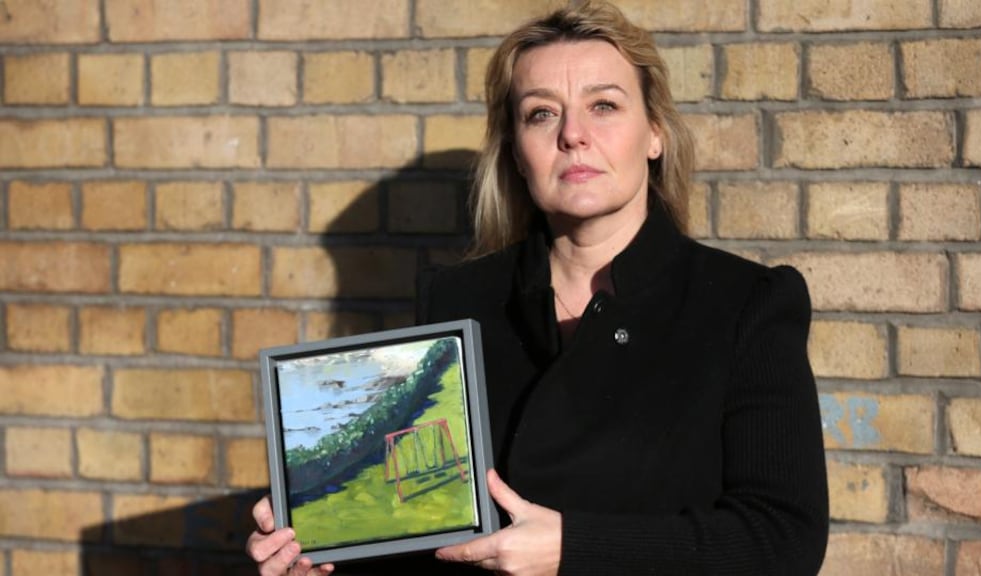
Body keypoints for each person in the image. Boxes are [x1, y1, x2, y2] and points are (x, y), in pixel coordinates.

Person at [246, 1, 829, 574]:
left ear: (655, 134)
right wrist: (329, 550)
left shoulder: (743, 303)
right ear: (517, 155)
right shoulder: (459, 302)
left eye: (603, 105)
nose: (573, 134)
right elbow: (432, 524)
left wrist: (574, 547)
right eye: (541, 113)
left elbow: (782, 538)